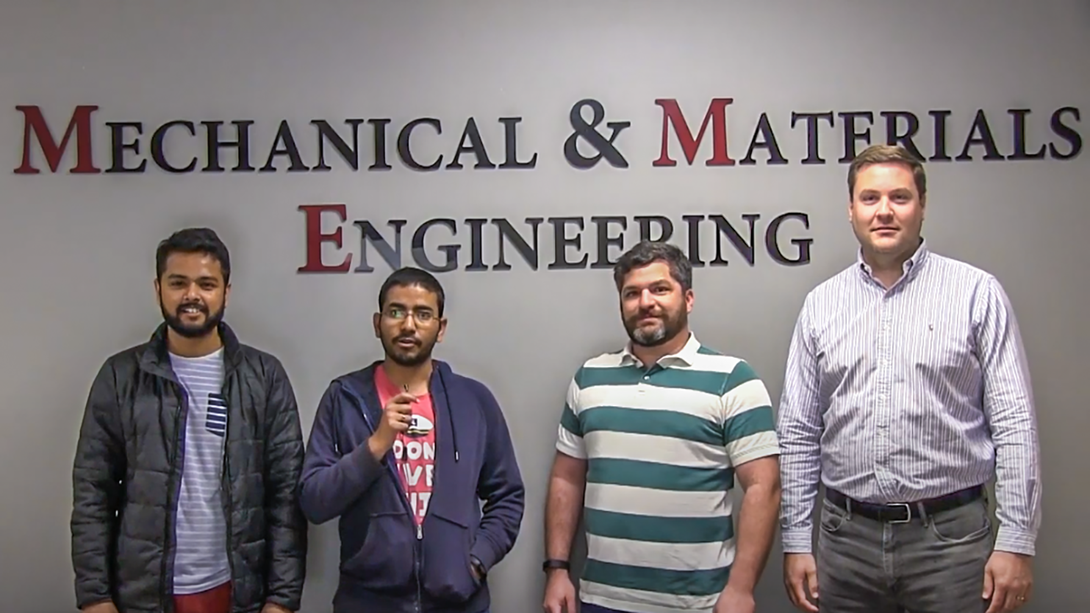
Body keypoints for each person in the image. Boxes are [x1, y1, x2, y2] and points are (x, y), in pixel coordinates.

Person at [777, 144, 1041, 613]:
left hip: (951, 542)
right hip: (845, 542)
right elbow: (799, 431)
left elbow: (1015, 422)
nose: (884, 211)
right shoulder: (821, 304)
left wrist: (1017, 540)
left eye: (899, 197)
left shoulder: (976, 294)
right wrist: (796, 539)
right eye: (870, 198)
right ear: (851, 209)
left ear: (921, 206)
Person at [70, 227, 308, 613]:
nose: (192, 295)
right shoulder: (120, 377)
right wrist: (96, 597)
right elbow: (92, 494)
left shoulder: (264, 377)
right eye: (178, 282)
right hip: (143, 595)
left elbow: (285, 498)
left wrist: (281, 601)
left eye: (206, 284)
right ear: (158, 288)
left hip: (235, 592)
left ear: (226, 292)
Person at [542, 240, 783, 613]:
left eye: (660, 289)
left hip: (700, 602)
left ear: (688, 299)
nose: (646, 302)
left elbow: (763, 488)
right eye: (632, 293)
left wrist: (741, 587)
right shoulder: (590, 378)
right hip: (601, 600)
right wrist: (557, 569)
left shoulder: (733, 380)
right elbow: (566, 479)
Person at [298, 266, 525, 613]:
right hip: (367, 602)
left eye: (422, 314)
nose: (408, 325)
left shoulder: (473, 401)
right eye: (396, 312)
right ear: (377, 323)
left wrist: (477, 561)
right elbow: (314, 501)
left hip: (458, 603)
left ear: (441, 327)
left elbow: (508, 496)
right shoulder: (344, 398)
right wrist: (375, 445)